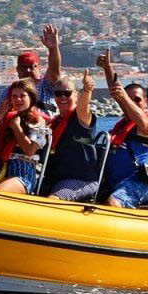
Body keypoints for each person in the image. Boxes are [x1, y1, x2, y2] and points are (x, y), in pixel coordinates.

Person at [97, 50, 148, 208]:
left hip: (139, 181)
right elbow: (116, 93)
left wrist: (125, 98)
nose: (132, 102)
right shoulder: (125, 120)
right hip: (114, 180)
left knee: (112, 203)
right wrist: (107, 67)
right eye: (129, 99)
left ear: (146, 101)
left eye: (137, 100)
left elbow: (140, 119)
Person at [43, 70, 103, 201]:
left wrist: (87, 90)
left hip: (81, 180)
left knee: (52, 200)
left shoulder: (80, 117)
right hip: (56, 179)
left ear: (76, 94)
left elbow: (82, 107)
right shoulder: (54, 123)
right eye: (58, 94)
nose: (62, 97)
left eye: (67, 93)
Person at [0, 78, 51, 194]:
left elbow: (30, 150)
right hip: (2, 169)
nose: (18, 99)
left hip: (24, 173)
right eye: (14, 96)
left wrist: (17, 128)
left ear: (31, 97)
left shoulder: (39, 122)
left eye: (22, 96)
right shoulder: (7, 118)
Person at [0, 24, 63, 114]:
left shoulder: (46, 86)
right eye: (24, 67)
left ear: (38, 68)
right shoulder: (8, 92)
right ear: (18, 70)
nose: (28, 71)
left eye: (32, 67)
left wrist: (53, 49)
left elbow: (54, 72)